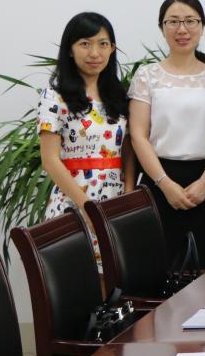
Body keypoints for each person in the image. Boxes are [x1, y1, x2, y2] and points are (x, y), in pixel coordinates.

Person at [129, 0, 205, 268]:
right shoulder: (147, 76)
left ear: (202, 26)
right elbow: (138, 135)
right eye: (173, 22)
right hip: (157, 179)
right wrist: (165, 183)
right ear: (162, 28)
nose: (182, 29)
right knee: (156, 268)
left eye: (190, 21)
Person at [38, 12, 135, 225]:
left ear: (112, 48)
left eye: (103, 44)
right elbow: (50, 160)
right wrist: (86, 206)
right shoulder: (54, 96)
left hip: (116, 200)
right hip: (73, 204)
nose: (94, 53)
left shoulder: (119, 96)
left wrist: (128, 195)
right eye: (85, 44)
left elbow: (127, 150)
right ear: (70, 50)